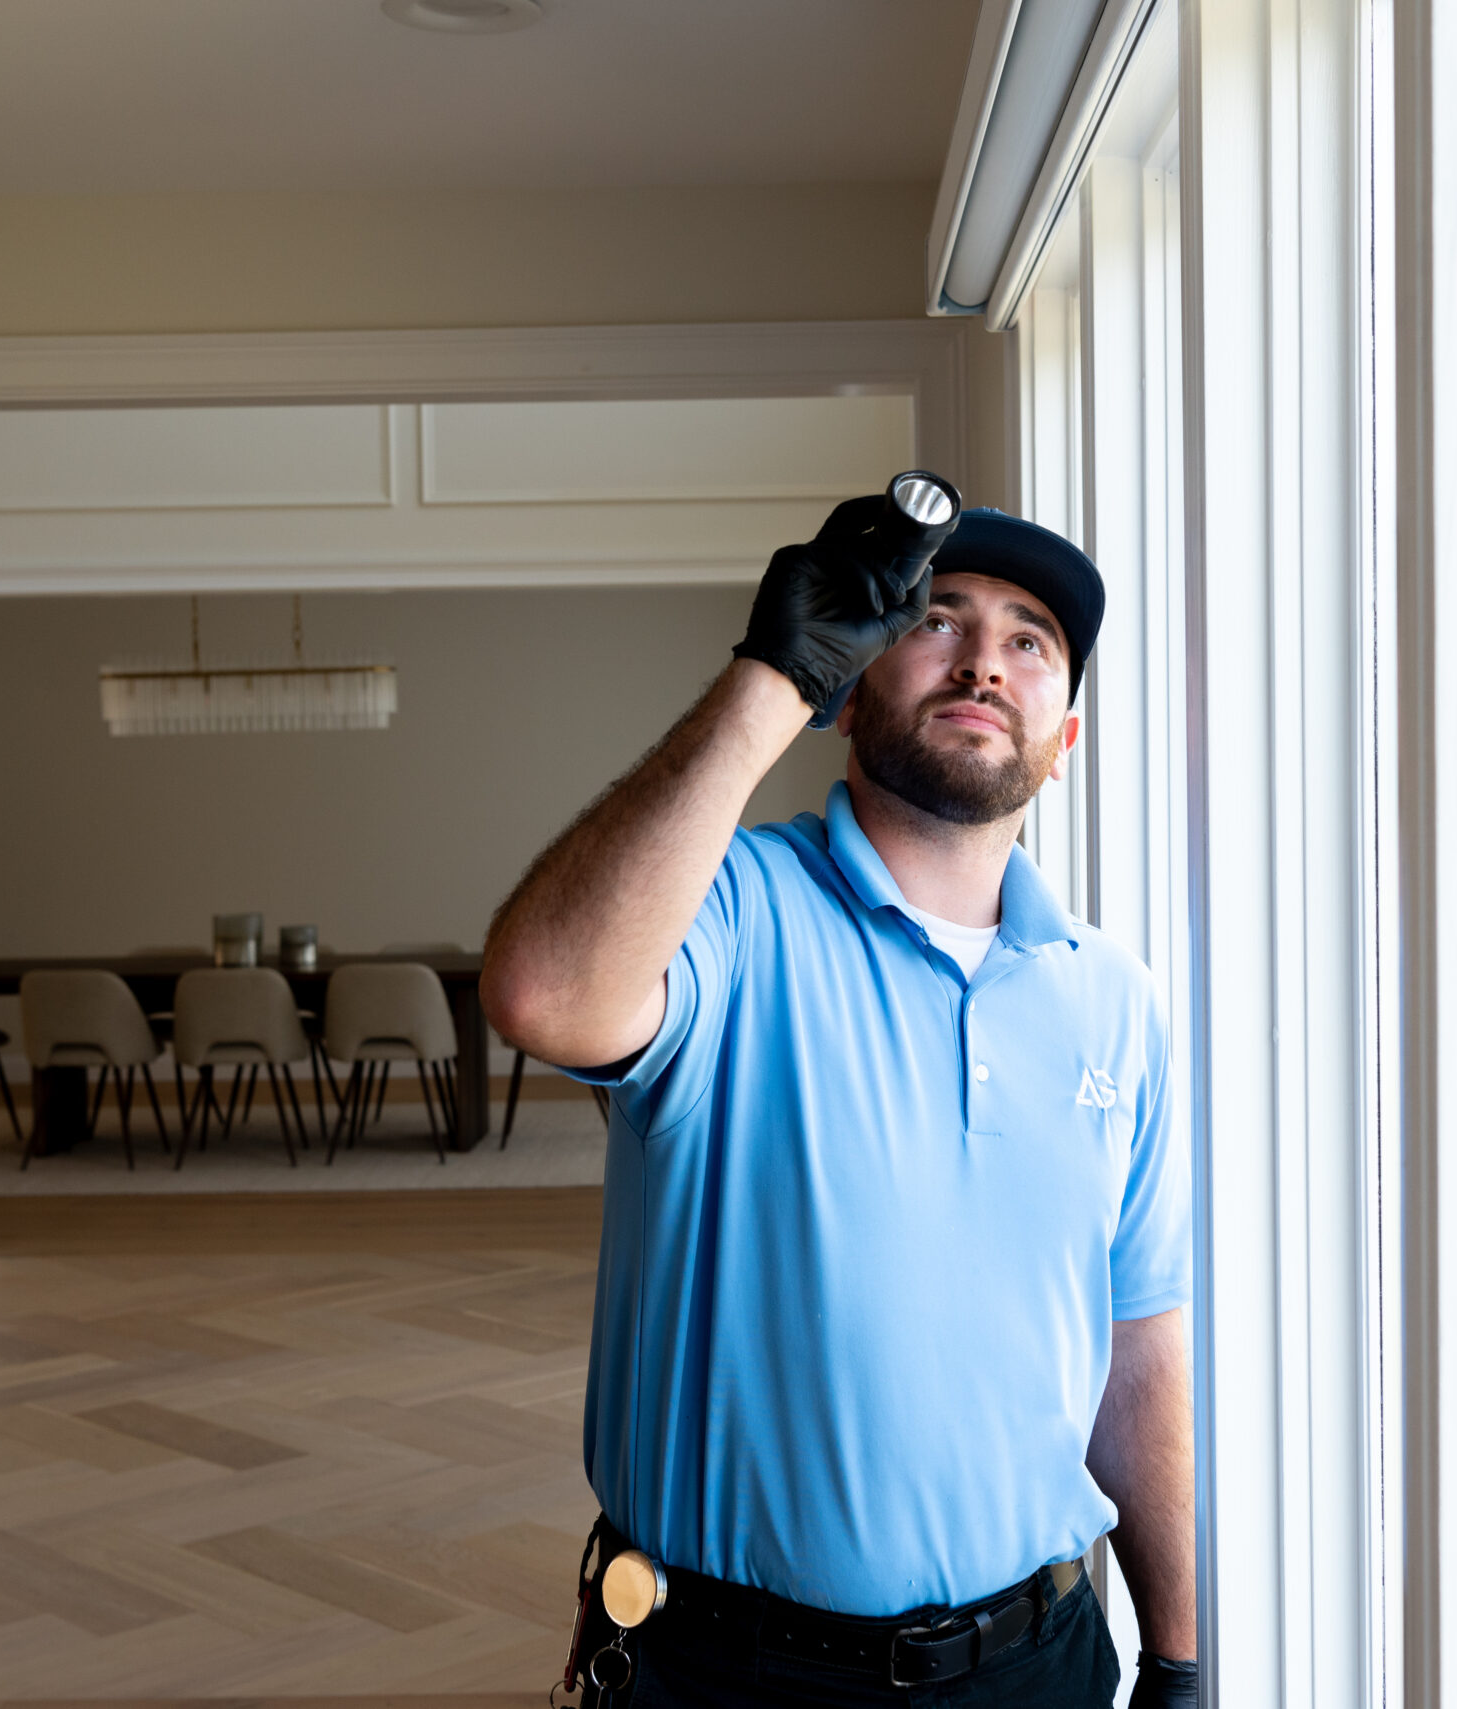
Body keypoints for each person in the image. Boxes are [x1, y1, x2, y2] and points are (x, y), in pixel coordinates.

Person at [482, 485, 1196, 1708]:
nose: (983, 660)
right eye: (937, 619)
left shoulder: (1112, 998)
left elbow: (1138, 1351)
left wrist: (1179, 1653)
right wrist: (771, 674)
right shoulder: (734, 909)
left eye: (1030, 641)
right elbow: (544, 992)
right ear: (849, 688)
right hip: (727, 1670)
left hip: (1039, 1664)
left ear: (1060, 739)